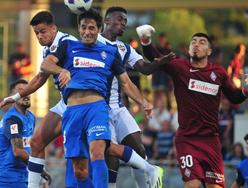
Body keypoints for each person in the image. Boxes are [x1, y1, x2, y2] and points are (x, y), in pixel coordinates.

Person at [0, 10, 169, 188]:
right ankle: (148, 167)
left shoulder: (106, 51)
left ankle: (148, 170)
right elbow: (43, 72)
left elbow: (126, 83)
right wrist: (19, 95)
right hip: (70, 108)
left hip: (96, 108)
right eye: (83, 27)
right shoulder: (66, 48)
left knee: (98, 151)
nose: (87, 31)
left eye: (91, 28)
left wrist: (143, 102)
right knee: (79, 167)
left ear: (98, 29)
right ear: (79, 29)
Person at [136, 25, 248, 187]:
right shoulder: (180, 67)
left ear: (209, 51)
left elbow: (234, 97)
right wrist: (145, 40)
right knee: (193, 185)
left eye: (202, 42)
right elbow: (155, 57)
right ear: (188, 49)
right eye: (193, 42)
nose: (196, 44)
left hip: (211, 141)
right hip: (187, 140)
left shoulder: (219, 73)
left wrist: (247, 90)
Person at [99, 6, 172, 187]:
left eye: (125, 21)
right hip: (98, 108)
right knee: (111, 152)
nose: (123, 23)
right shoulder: (93, 43)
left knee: (139, 152)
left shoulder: (124, 48)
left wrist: (159, 63)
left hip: (118, 107)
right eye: (119, 19)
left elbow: (144, 68)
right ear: (107, 20)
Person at [0, 80, 35, 187]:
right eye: (21, 91)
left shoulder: (31, 117)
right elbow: (18, 151)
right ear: (13, 97)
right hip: (8, 179)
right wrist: (39, 169)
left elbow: (28, 146)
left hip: (24, 176)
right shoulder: (12, 119)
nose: (26, 94)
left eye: (28, 91)